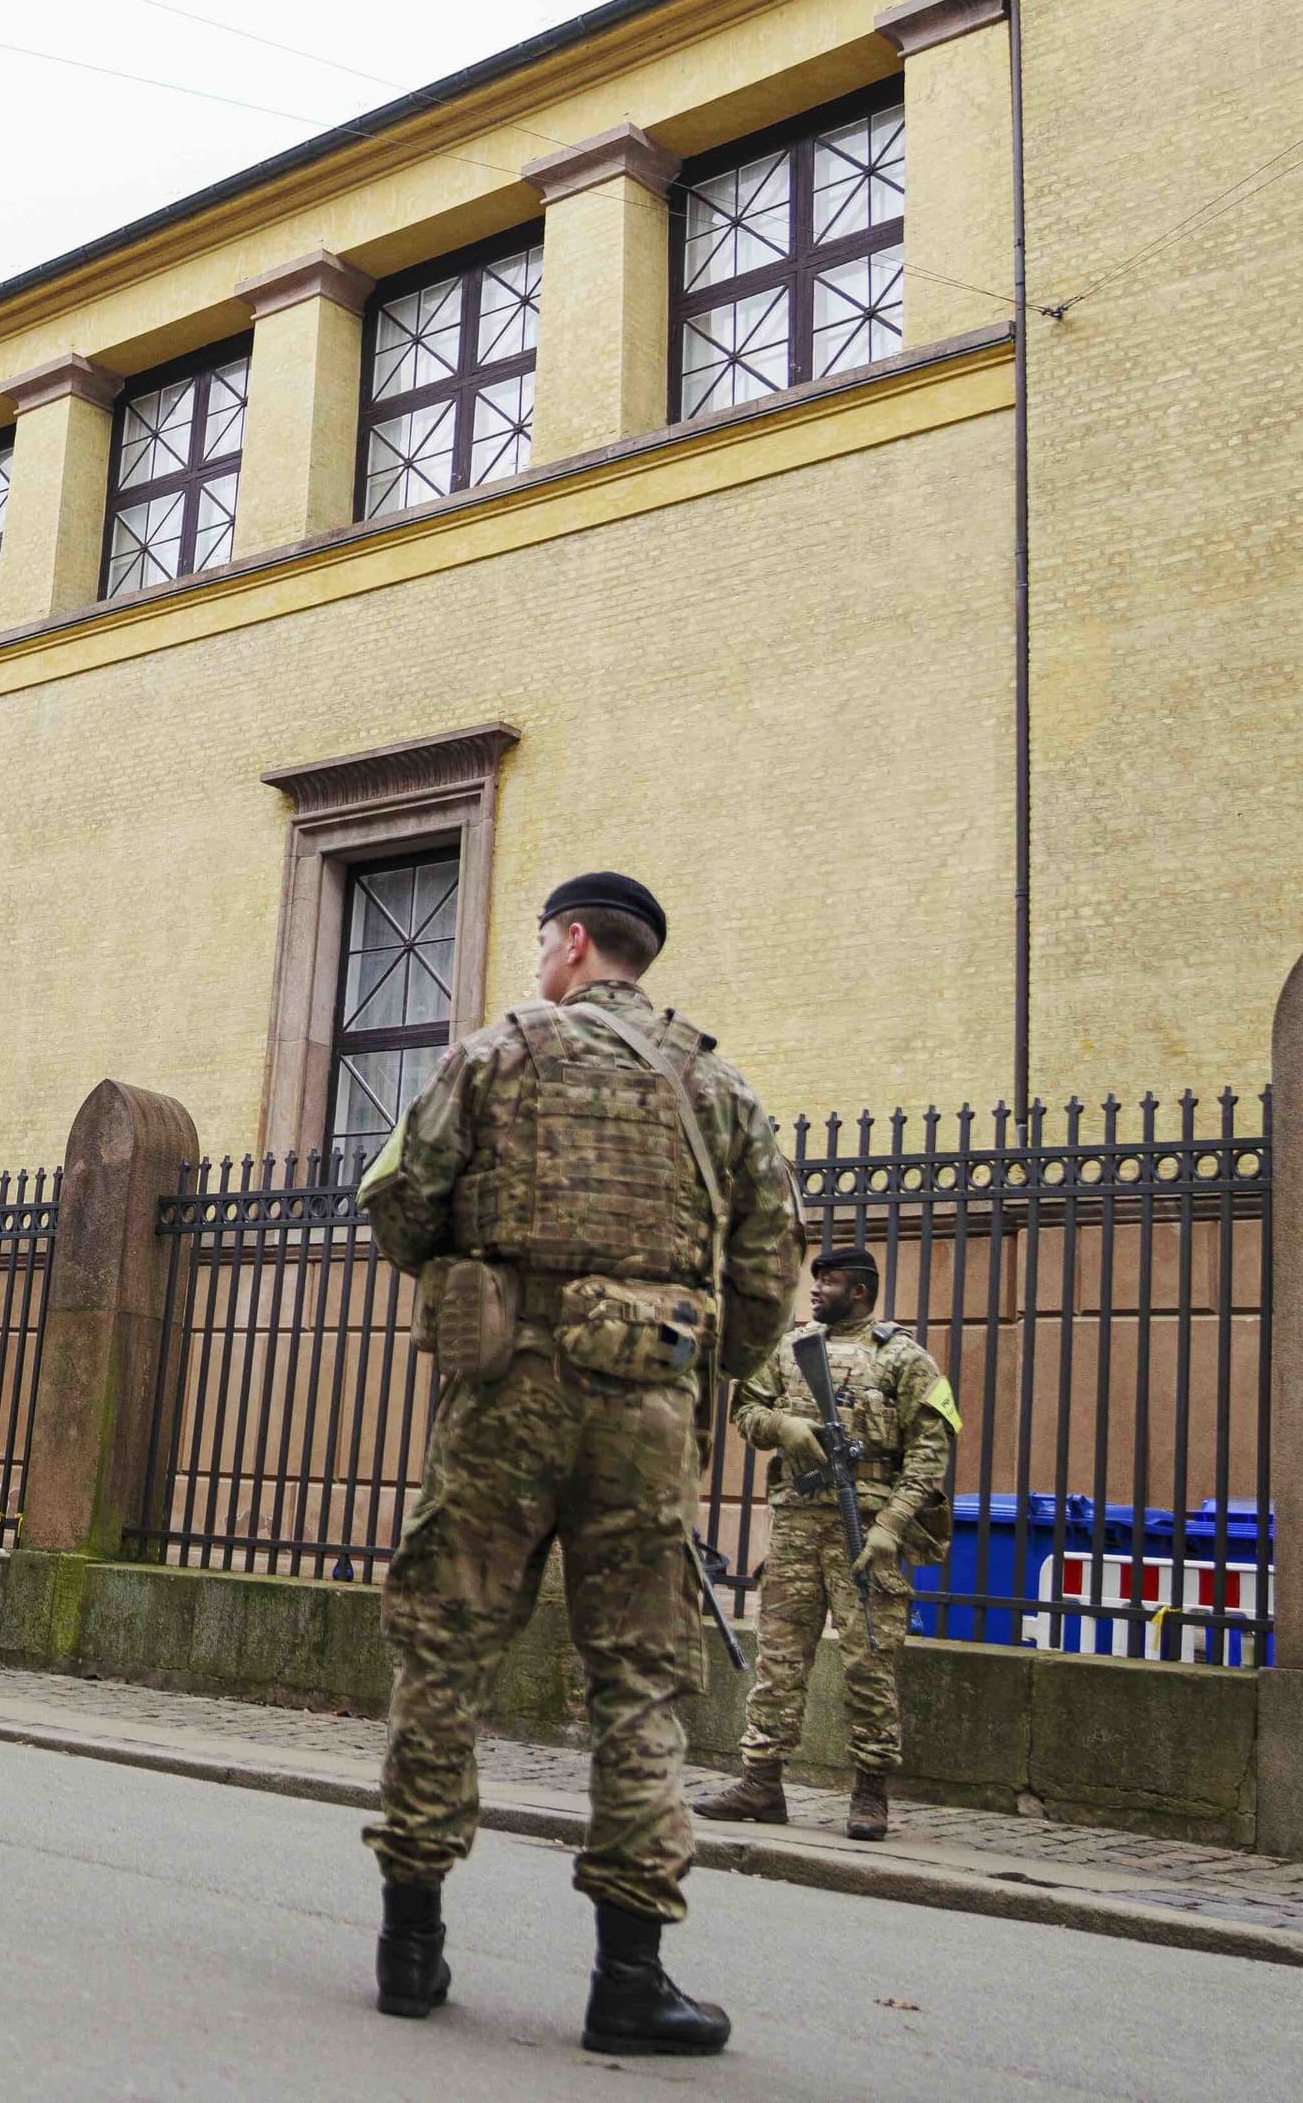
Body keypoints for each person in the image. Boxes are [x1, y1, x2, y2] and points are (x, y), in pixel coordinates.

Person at [355, 872, 800, 2058]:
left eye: (546, 939)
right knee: (638, 1679)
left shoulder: (495, 1053)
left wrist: (473, 1263)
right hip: (648, 1405)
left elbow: (401, 1199)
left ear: (572, 940)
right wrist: (704, 1363)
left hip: (507, 1388)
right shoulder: (718, 1086)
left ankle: (410, 1943)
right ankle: (631, 1976)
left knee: (445, 1648)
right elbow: (767, 1272)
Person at [692, 1240, 959, 1840]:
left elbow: (930, 1451)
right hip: (794, 1522)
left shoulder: (905, 1360)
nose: (816, 1289)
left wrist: (892, 1527)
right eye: (815, 1280)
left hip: (865, 1531)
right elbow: (746, 1413)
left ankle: (870, 1790)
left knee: (869, 1661)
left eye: (829, 1281)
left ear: (859, 1290)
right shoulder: (787, 1349)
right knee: (779, 1656)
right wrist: (784, 1425)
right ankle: (761, 1781)